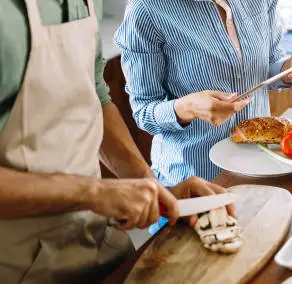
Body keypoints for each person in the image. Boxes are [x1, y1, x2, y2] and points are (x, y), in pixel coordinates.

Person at [0, 1, 233, 282]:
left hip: (95, 240)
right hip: (18, 264)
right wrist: (96, 193)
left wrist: (154, 189)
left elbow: (94, 96)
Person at [115, 0, 292, 186]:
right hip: (194, 181)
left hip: (261, 170)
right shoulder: (146, 9)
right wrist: (188, 108)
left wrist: (290, 68)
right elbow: (144, 111)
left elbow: (269, 62)